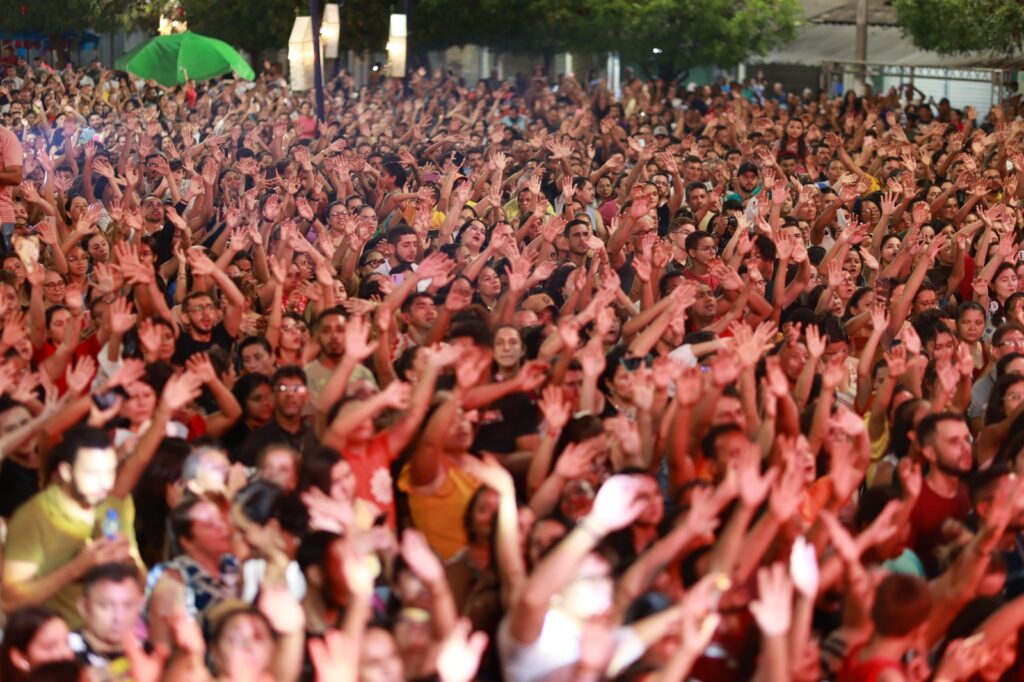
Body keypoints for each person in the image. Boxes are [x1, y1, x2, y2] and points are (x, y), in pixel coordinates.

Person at [2, 426, 140, 627]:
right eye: (92, 473)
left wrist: (127, 565)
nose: (104, 483)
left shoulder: (115, 507)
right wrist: (76, 568)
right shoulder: (33, 518)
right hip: (61, 640)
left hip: (119, 633)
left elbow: (140, 580)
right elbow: (10, 602)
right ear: (66, 472)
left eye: (110, 472)